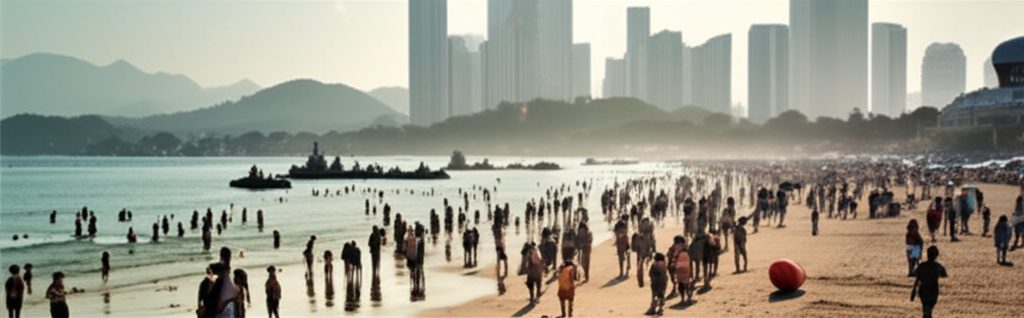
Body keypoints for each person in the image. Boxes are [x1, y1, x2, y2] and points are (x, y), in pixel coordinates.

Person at [911, 246, 947, 318]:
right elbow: (944, 274)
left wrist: (914, 290)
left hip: (923, 290)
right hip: (933, 290)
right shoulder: (937, 266)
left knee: (925, 305)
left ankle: (926, 312)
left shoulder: (922, 266)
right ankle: (927, 312)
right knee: (930, 307)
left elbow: (917, 278)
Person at [674, 240, 693, 305]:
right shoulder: (687, 252)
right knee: (685, 285)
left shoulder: (677, 252)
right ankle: (688, 298)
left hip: (681, 271)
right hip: (684, 271)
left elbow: (675, 260)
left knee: (682, 286)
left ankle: (683, 299)